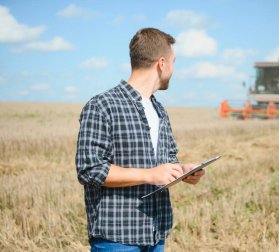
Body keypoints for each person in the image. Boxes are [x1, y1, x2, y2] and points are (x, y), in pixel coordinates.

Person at [75, 27, 205, 251]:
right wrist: (150, 175)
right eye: (173, 62)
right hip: (117, 239)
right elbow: (89, 169)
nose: (174, 69)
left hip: (156, 234)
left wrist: (182, 170)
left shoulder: (159, 110)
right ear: (161, 63)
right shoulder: (102, 106)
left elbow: (167, 160)